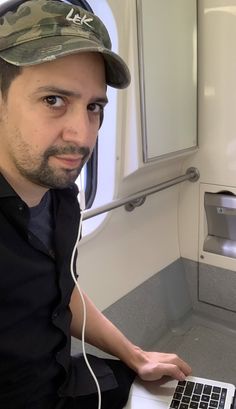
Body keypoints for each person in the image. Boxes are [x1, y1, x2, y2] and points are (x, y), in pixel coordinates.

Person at [0, 0, 192, 408]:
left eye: (94, 107)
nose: (83, 135)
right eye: (53, 100)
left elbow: (61, 288)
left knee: (179, 392)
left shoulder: (62, 194)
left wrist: (136, 356)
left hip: (60, 379)